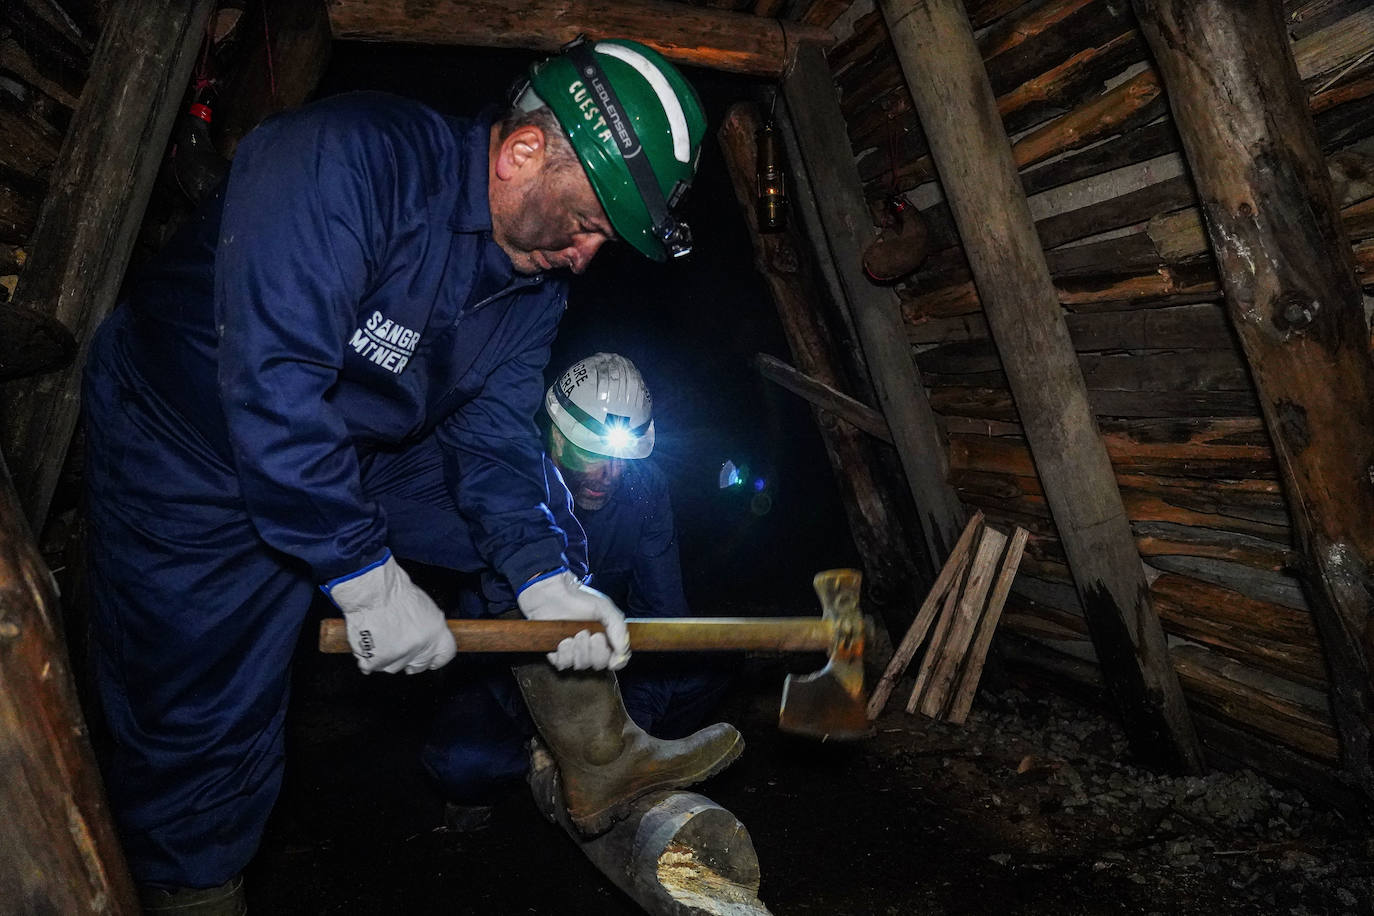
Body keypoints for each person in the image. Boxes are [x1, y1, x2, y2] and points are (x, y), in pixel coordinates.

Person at [81, 38, 742, 914]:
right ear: (522, 152)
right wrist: (365, 573)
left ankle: (597, 756)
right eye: (585, 224)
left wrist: (546, 578)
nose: (587, 254)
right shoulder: (343, 161)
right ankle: (193, 893)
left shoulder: (532, 287)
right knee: (205, 715)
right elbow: (276, 384)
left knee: (535, 513)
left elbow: (498, 437)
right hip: (187, 439)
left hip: (358, 443)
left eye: (603, 241)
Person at [423, 354, 733, 822]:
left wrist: (621, 735)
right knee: (462, 763)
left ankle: (615, 762)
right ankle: (543, 765)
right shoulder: (504, 484)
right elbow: (489, 625)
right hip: (508, 672)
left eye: (621, 457)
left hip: (598, 666)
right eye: (591, 450)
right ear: (554, 430)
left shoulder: (644, 491)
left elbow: (662, 615)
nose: (609, 473)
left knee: (711, 666)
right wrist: (555, 735)